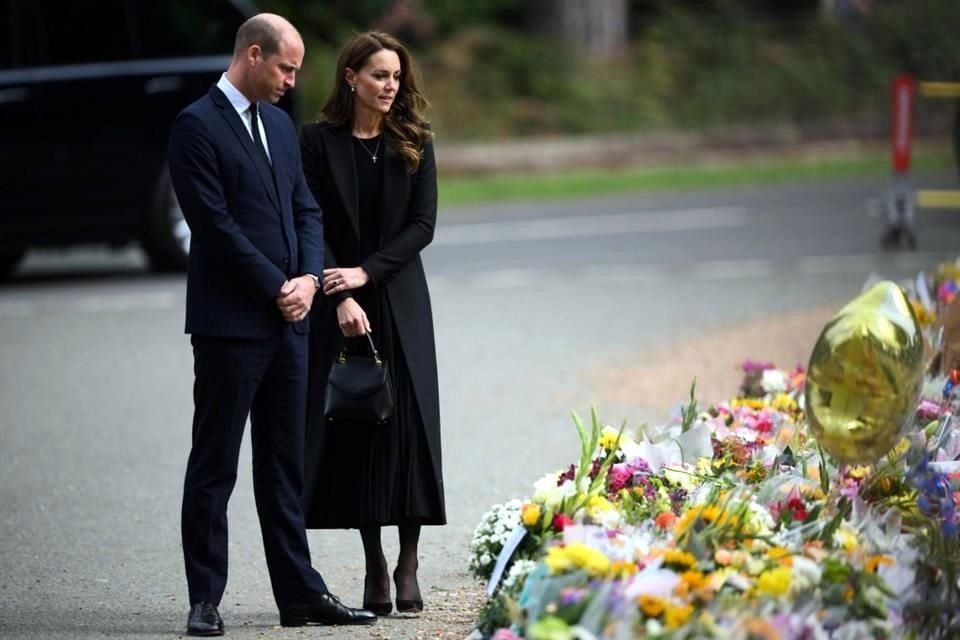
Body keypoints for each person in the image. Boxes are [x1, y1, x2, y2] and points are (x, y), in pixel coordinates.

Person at [167, 14, 377, 636]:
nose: (292, 80)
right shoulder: (195, 126)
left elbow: (306, 211)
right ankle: (205, 599)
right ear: (253, 56)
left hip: (291, 323)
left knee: (285, 465)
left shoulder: (282, 127)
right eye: (286, 68)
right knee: (216, 463)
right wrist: (276, 288)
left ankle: (299, 596)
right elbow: (213, 226)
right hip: (231, 326)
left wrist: (310, 282)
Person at [300, 31, 446, 617]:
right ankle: (373, 562)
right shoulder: (317, 142)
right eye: (380, 75)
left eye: (396, 77)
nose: (391, 86)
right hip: (343, 301)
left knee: (409, 429)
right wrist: (340, 291)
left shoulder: (415, 140)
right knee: (359, 427)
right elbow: (311, 220)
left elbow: (422, 226)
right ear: (351, 77)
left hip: (400, 298)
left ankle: (408, 559)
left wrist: (366, 273)